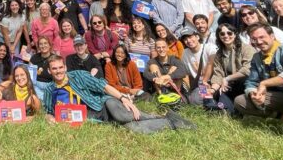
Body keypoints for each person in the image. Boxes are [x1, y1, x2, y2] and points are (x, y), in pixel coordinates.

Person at [43, 56, 191, 133]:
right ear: (49, 71)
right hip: (92, 118)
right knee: (134, 128)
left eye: (60, 67)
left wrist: (122, 98)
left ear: (65, 67)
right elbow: (48, 111)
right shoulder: (49, 89)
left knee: (123, 116)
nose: (58, 71)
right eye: (54, 69)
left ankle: (157, 117)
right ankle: (171, 121)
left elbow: (104, 86)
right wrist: (50, 119)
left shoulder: (78, 75)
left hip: (104, 105)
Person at [199, 23, 255, 114]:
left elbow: (247, 70)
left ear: (235, 34)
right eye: (222, 34)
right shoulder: (219, 54)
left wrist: (227, 78)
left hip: (244, 83)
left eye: (229, 33)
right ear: (219, 36)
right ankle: (215, 107)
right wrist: (212, 90)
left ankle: (223, 107)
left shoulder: (246, 49)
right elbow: (218, 74)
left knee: (228, 92)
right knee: (203, 90)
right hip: (227, 85)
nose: (226, 36)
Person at [180, 27, 217, 104]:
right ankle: (209, 103)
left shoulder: (209, 47)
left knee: (204, 99)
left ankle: (213, 103)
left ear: (197, 37)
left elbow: (211, 63)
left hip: (215, 81)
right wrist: (188, 89)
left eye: (190, 37)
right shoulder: (185, 53)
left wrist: (205, 80)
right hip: (200, 85)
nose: (189, 41)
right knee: (195, 99)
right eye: (185, 39)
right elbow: (186, 73)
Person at [28, 35, 56, 103]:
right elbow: (30, 75)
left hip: (50, 84)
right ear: (38, 46)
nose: (43, 46)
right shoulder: (34, 58)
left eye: (45, 43)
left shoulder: (55, 58)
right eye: (41, 44)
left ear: (50, 45)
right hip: (37, 85)